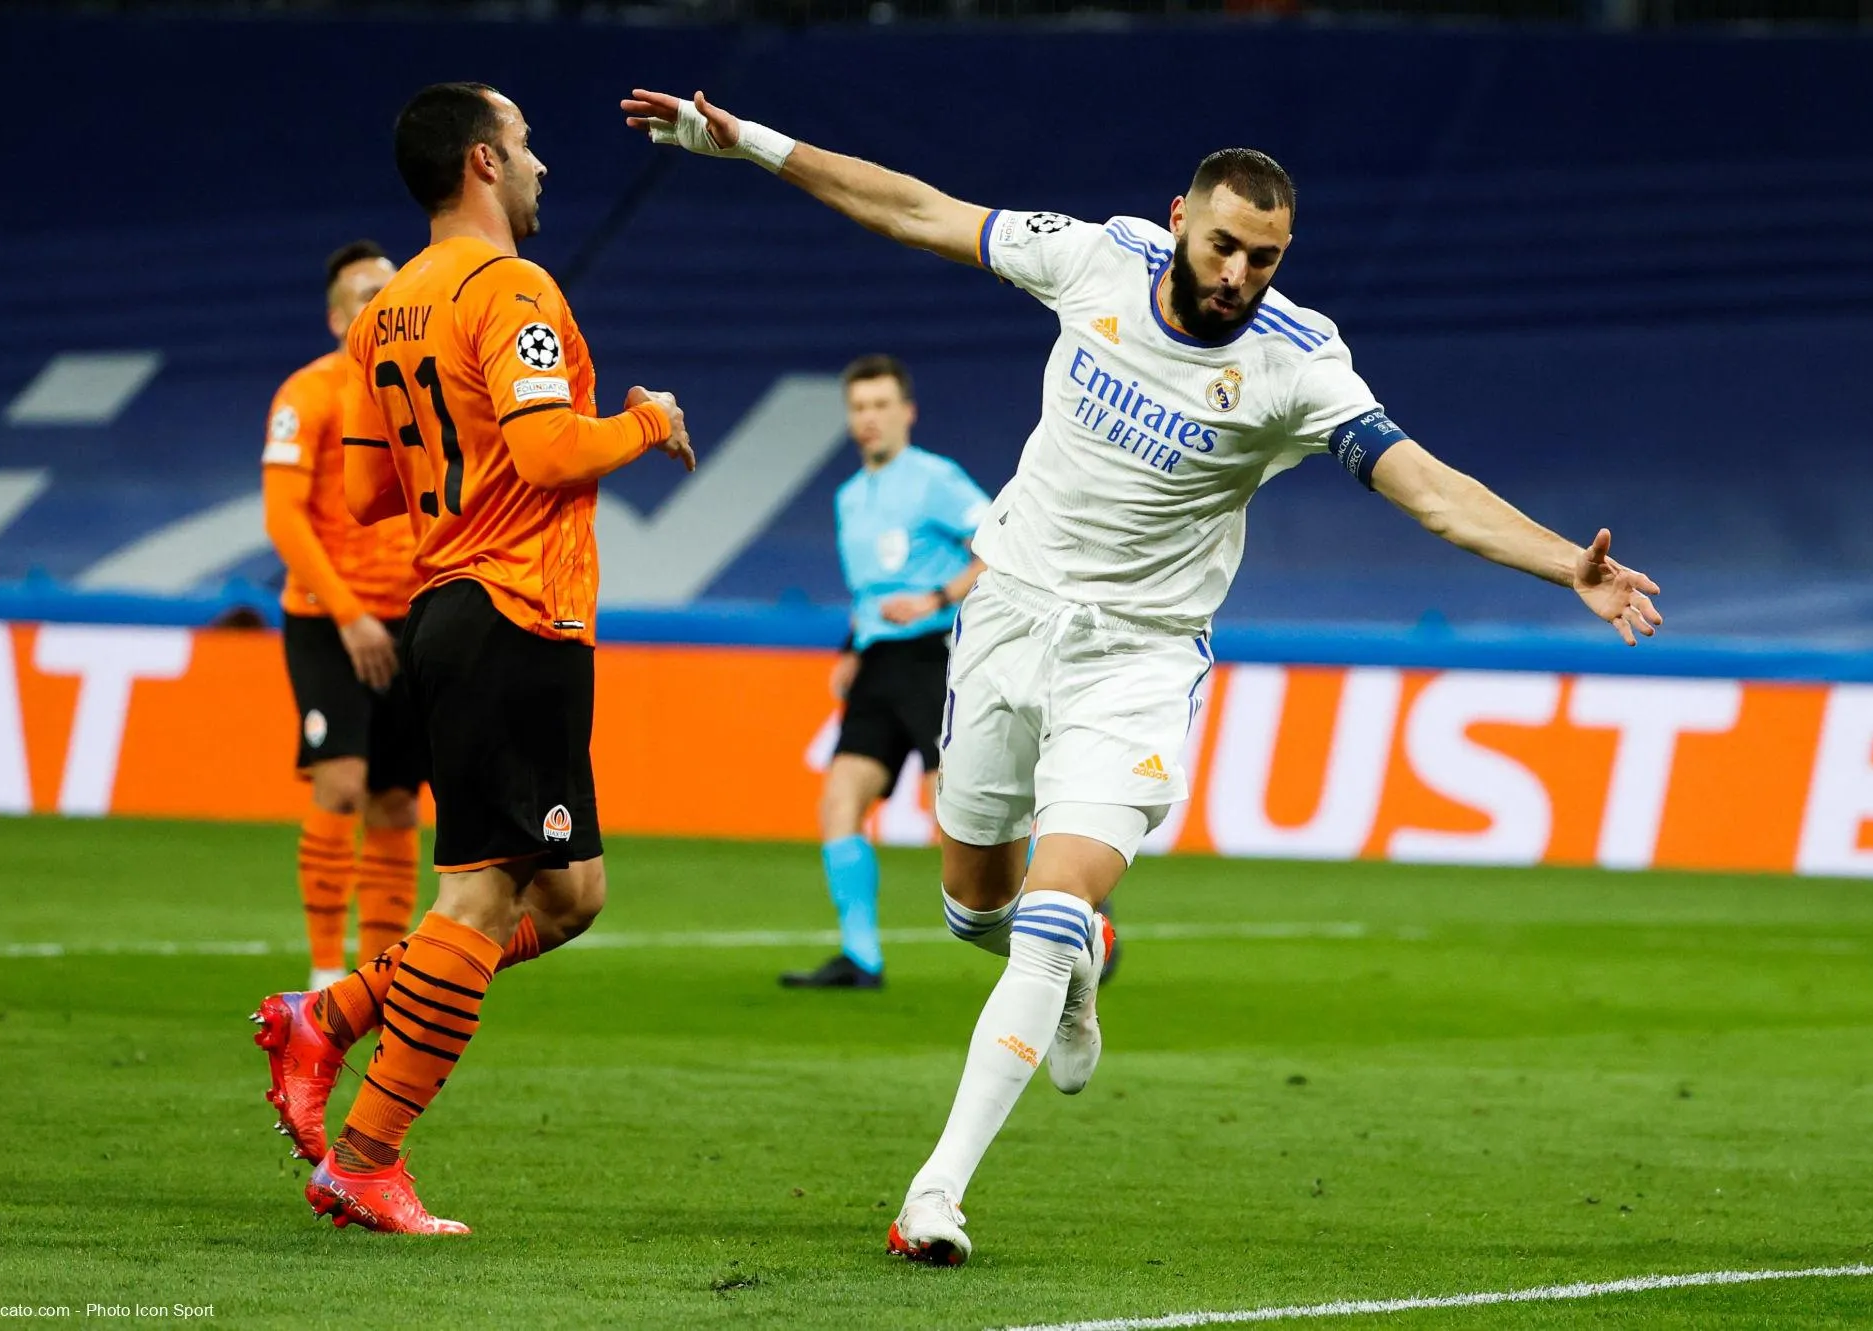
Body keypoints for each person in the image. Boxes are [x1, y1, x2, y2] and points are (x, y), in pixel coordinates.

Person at [624, 88, 1663, 1265]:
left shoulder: (1300, 366)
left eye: (1264, 256)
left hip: (1138, 659)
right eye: (1223, 243)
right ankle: (1079, 969)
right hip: (1009, 619)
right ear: (1181, 218)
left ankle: (936, 1191)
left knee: (1050, 908)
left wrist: (1561, 564)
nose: (1238, 272)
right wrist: (747, 141)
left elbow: (1429, 490)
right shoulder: (1094, 261)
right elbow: (915, 209)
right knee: (978, 909)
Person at [250, 81, 694, 1237]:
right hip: (517, 609)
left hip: (450, 608)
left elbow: (364, 488)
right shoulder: (511, 288)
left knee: (573, 891)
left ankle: (335, 1009)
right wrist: (647, 419)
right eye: (529, 141)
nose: (543, 161)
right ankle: (364, 1153)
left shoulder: (383, 311)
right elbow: (549, 450)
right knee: (490, 893)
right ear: (484, 162)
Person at [781, 354, 988, 991]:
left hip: (933, 656)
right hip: (877, 663)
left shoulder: (935, 480)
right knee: (839, 800)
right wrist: (851, 645)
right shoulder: (849, 498)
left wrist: (936, 598)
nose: (868, 419)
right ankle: (861, 957)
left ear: (907, 412)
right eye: (859, 408)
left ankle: (1076, 905)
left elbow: (1002, 546)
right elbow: (869, 591)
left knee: (956, 811)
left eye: (880, 406)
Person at [261, 241, 426, 993]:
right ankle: (327, 970)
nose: (380, 304)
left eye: (390, 292)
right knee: (344, 785)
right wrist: (352, 615)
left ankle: (380, 977)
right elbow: (285, 520)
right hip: (330, 620)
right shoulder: (308, 393)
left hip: (413, 620)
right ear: (336, 317)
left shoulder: (425, 392)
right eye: (365, 295)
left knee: (398, 796)